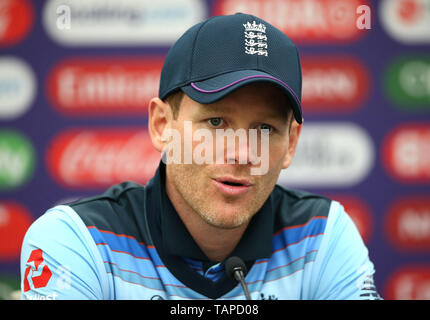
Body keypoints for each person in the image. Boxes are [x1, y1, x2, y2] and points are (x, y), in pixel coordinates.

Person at [20, 13, 381, 300]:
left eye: (266, 129)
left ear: (290, 143)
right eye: (216, 121)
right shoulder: (79, 239)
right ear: (163, 125)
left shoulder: (323, 235)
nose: (243, 152)